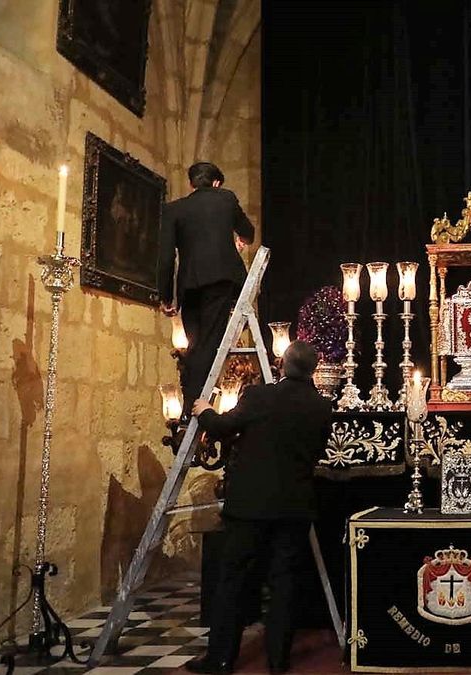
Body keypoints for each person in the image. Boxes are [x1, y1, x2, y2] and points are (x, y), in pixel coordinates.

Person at [186, 341, 333, 674]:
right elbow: (315, 453)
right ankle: (278, 659)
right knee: (284, 582)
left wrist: (203, 411)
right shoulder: (321, 407)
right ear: (312, 371)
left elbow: (224, 426)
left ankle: (221, 657)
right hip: (294, 506)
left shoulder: (258, 396)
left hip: (250, 505)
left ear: (281, 364)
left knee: (234, 580)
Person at [157, 161, 255, 405]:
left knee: (195, 341)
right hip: (222, 280)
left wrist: (166, 297)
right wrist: (242, 239)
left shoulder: (173, 209)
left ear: (191, 184)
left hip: (190, 284)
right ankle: (198, 403)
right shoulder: (226, 198)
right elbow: (248, 231)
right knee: (210, 342)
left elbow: (166, 257)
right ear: (217, 182)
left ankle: (192, 399)